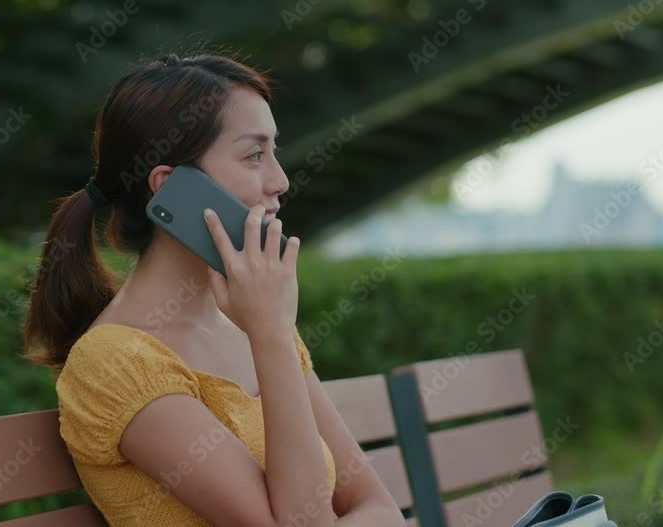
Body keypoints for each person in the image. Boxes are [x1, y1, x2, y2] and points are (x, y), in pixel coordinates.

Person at [22, 51, 405, 527]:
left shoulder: (254, 322)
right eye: (254, 155)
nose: (280, 181)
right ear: (170, 190)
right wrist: (270, 334)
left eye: (274, 151)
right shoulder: (116, 364)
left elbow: (381, 509)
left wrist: (270, 334)